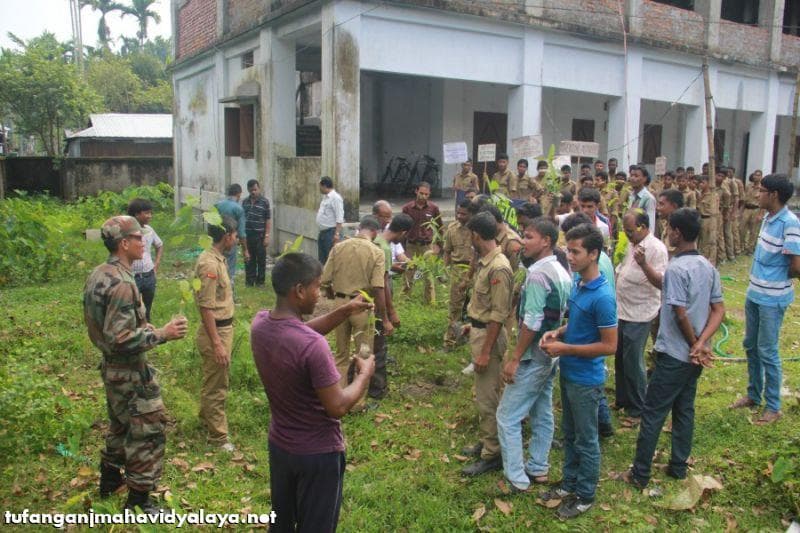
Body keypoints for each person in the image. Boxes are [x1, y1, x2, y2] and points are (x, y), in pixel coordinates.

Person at [251, 253, 375, 532]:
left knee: (281, 523)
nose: (320, 294)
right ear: (299, 290)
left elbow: (300, 332)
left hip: (280, 447)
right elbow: (338, 406)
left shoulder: (260, 324)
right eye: (317, 287)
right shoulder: (312, 347)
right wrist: (365, 374)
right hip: (318, 455)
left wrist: (345, 310)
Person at [85, 216, 188, 513]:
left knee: (120, 424)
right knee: (147, 429)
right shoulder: (122, 283)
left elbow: (103, 326)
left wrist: (142, 326)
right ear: (124, 244)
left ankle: (108, 481)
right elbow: (119, 337)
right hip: (129, 370)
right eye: (138, 238)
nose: (144, 243)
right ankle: (139, 499)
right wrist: (161, 334)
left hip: (112, 369)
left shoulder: (100, 274)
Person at [623, 207, 724, 488]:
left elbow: (679, 312)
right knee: (684, 409)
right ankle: (678, 466)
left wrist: (695, 343)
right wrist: (703, 344)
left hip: (675, 355)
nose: (666, 231)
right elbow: (719, 310)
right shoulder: (707, 266)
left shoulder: (678, 267)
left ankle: (640, 473)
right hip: (693, 358)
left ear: (677, 233)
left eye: (668, 227)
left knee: (653, 412)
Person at [539, 223, 618, 519]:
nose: (569, 256)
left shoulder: (603, 297)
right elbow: (578, 326)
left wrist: (567, 349)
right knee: (570, 434)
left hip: (587, 379)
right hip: (570, 373)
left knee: (586, 439)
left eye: (575, 251)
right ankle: (568, 484)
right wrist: (558, 333)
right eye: (567, 250)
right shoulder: (578, 284)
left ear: (594, 254)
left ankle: (585, 494)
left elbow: (609, 345)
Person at [497, 218, 572, 492]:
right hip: (551, 354)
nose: (523, 242)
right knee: (542, 410)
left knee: (507, 416)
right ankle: (538, 466)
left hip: (534, 354)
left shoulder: (539, 274)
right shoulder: (561, 270)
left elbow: (532, 320)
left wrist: (515, 357)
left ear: (546, 241)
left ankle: (516, 477)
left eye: (528, 237)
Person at [731, 174, 800, 424]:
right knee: (751, 345)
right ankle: (753, 394)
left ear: (773, 195)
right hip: (754, 293)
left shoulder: (789, 223)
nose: (757, 194)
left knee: (768, 350)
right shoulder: (767, 218)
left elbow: (796, 265)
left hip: (773, 297)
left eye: (761, 191)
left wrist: (777, 278)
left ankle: (773, 405)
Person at [460, 212, 514, 476]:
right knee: (487, 393)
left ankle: (492, 453)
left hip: (489, 339)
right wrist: (473, 324)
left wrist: (484, 352)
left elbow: (498, 314)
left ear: (477, 235)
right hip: (481, 332)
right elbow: (485, 306)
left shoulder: (498, 267)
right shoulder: (485, 262)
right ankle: (487, 440)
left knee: (487, 398)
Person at [321, 216, 387, 408]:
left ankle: (339, 398)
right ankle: (358, 403)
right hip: (362, 305)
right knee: (363, 354)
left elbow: (325, 280)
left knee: (341, 354)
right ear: (375, 232)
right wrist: (382, 315)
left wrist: (334, 293)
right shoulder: (376, 252)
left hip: (340, 306)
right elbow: (377, 286)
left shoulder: (338, 247)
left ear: (359, 228)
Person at [614, 210, 668, 420]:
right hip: (622, 309)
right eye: (625, 231)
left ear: (643, 227)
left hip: (640, 311)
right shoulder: (631, 243)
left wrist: (644, 263)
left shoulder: (656, 249)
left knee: (633, 360)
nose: (627, 235)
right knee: (619, 356)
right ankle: (622, 399)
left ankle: (638, 409)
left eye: (630, 231)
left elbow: (661, 282)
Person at [194, 216, 239, 451]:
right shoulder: (210, 264)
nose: (237, 239)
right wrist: (217, 344)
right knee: (217, 385)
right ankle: (218, 438)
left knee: (213, 378)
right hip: (216, 332)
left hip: (223, 329)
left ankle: (205, 419)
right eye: (235, 235)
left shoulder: (218, 259)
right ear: (227, 236)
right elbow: (206, 306)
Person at [370, 210, 413, 399]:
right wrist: (389, 314)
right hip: (378, 305)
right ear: (403, 233)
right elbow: (382, 285)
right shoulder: (385, 248)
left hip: (367, 302)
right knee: (378, 346)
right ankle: (377, 390)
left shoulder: (377, 240)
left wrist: (395, 267)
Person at [401, 181, 442, 303]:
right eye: (421, 193)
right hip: (411, 245)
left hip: (427, 245)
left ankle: (430, 302)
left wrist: (439, 245)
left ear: (429, 194)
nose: (423, 196)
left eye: (426, 194)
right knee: (408, 272)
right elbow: (402, 228)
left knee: (428, 274)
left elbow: (440, 227)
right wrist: (402, 246)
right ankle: (404, 300)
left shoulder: (433, 208)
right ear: (416, 191)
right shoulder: (407, 208)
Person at [443, 200, 474, 351]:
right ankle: (450, 341)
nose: (460, 216)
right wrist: (445, 269)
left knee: (474, 307)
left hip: (475, 270)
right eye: (458, 213)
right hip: (458, 270)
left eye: (464, 214)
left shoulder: (476, 229)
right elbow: (447, 251)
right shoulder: (452, 228)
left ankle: (471, 340)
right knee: (455, 307)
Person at [127, 199, 163, 322]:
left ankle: (147, 331)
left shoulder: (149, 230)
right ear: (137, 214)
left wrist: (156, 265)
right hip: (131, 276)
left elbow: (159, 245)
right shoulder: (126, 232)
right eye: (146, 213)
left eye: (150, 213)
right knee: (131, 308)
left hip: (149, 275)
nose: (150, 216)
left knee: (147, 308)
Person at [215, 184, 249, 288]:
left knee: (216, 265)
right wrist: (245, 250)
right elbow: (242, 233)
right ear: (239, 194)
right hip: (230, 242)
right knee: (229, 269)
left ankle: (217, 288)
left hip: (216, 242)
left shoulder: (217, 205)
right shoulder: (238, 209)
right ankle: (230, 294)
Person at [242, 179, 272, 286]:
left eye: (255, 190)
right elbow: (242, 219)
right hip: (247, 235)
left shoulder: (264, 202)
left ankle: (260, 282)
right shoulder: (245, 202)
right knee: (249, 259)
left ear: (259, 188)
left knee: (261, 260)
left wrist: (267, 236)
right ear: (248, 190)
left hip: (260, 236)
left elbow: (268, 220)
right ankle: (250, 281)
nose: (253, 192)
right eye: (251, 190)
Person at [316, 176, 345, 266]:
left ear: (324, 186)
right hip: (323, 232)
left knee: (331, 259)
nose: (319, 189)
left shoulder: (335, 198)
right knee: (322, 258)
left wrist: (337, 234)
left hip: (331, 232)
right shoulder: (326, 197)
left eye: (320, 186)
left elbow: (339, 217)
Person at [696, 174, 719, 265]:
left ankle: (709, 261)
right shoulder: (700, 194)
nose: (700, 184)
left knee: (708, 242)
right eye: (700, 183)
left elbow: (715, 210)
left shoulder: (713, 195)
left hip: (709, 219)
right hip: (700, 218)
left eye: (703, 183)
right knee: (701, 241)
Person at [741, 170, 763, 254]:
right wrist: (740, 212)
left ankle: (750, 249)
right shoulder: (748, 186)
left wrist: (761, 214)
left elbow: (762, 203)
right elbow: (744, 200)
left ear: (761, 177)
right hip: (747, 208)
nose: (756, 177)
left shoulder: (762, 188)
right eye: (755, 175)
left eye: (758, 175)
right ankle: (742, 246)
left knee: (754, 231)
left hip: (756, 209)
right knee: (741, 229)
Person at [627, 165, 656, 232]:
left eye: (636, 176)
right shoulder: (631, 196)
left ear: (644, 179)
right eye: (631, 175)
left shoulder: (648, 198)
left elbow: (650, 225)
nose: (633, 178)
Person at [716, 168, 734, 263]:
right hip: (708, 213)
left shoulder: (725, 191)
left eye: (722, 176)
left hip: (718, 213)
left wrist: (725, 215)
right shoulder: (711, 187)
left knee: (720, 235)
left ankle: (722, 257)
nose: (719, 178)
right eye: (718, 175)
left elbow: (726, 206)